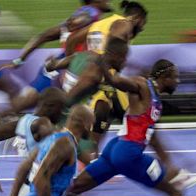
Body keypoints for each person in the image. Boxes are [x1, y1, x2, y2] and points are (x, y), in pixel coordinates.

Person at [67, 40, 196, 196]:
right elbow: (116, 81)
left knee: (72, 189)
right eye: (175, 78)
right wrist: (103, 63)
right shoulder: (142, 84)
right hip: (128, 154)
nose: (178, 82)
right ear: (164, 77)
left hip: (115, 150)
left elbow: (154, 139)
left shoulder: (156, 102)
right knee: (175, 193)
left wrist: (169, 163)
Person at [0, 88, 101, 196]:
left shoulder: (24, 121)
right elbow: (63, 146)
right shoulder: (45, 126)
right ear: (52, 107)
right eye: (62, 109)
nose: (63, 114)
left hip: (31, 185)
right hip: (41, 190)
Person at [63, 0, 149, 156]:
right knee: (133, 112)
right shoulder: (125, 24)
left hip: (86, 72)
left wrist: (72, 63)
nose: (142, 29)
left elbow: (71, 40)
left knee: (103, 115)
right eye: (143, 24)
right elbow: (112, 46)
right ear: (138, 18)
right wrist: (107, 67)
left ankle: (91, 154)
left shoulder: (101, 23)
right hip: (101, 74)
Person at [0, 0, 113, 113]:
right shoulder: (92, 13)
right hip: (63, 68)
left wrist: (19, 60)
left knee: (34, 105)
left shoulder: (86, 16)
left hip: (61, 66)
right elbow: (73, 24)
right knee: (32, 103)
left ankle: (7, 117)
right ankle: (6, 117)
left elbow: (45, 36)